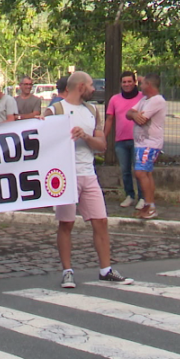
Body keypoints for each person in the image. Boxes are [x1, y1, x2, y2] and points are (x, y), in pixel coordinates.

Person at [43, 71, 134, 288]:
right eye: (92, 85)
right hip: (65, 176)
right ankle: (67, 271)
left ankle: (106, 269)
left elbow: (102, 145)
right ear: (81, 87)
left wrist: (85, 136)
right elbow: (42, 140)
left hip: (88, 173)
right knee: (66, 223)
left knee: (100, 221)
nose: (95, 89)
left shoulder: (92, 110)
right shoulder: (56, 109)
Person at [127, 73, 167, 220]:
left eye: (142, 83)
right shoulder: (144, 100)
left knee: (140, 172)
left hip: (150, 143)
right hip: (141, 142)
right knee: (146, 173)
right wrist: (133, 114)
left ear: (149, 85)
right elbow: (129, 113)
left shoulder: (157, 101)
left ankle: (149, 206)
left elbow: (142, 119)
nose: (140, 86)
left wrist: (135, 116)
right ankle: (148, 206)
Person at [104, 71, 145, 210]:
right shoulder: (114, 99)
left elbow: (154, 90)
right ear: (121, 84)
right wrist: (103, 137)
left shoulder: (142, 97)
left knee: (139, 169)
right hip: (120, 141)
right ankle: (130, 196)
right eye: (124, 82)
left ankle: (143, 198)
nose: (127, 84)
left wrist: (143, 79)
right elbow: (109, 119)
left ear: (135, 83)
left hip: (139, 140)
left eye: (129, 81)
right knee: (125, 170)